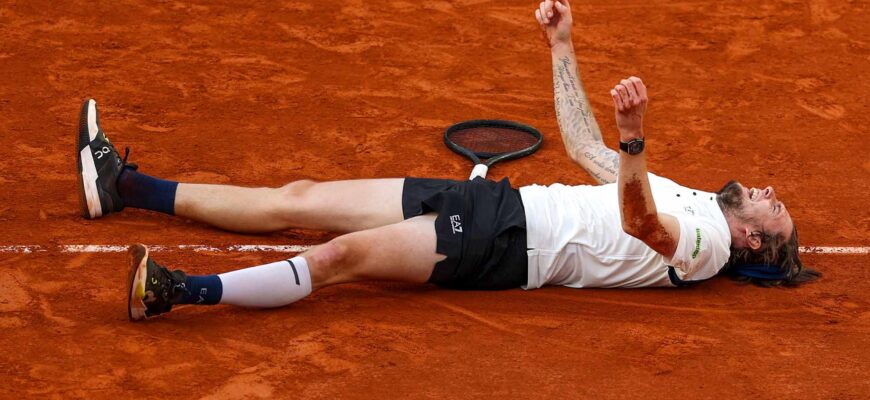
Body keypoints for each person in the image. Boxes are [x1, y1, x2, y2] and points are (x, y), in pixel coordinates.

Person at [76, 0, 817, 321]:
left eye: (774, 207)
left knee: (339, 258)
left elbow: (640, 224)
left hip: (506, 245)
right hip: (497, 206)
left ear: (753, 239)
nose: (767, 189)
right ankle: (125, 185)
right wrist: (563, 47)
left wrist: (634, 137)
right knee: (298, 197)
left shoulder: (707, 243)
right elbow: (585, 149)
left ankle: (178, 291)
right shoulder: (697, 198)